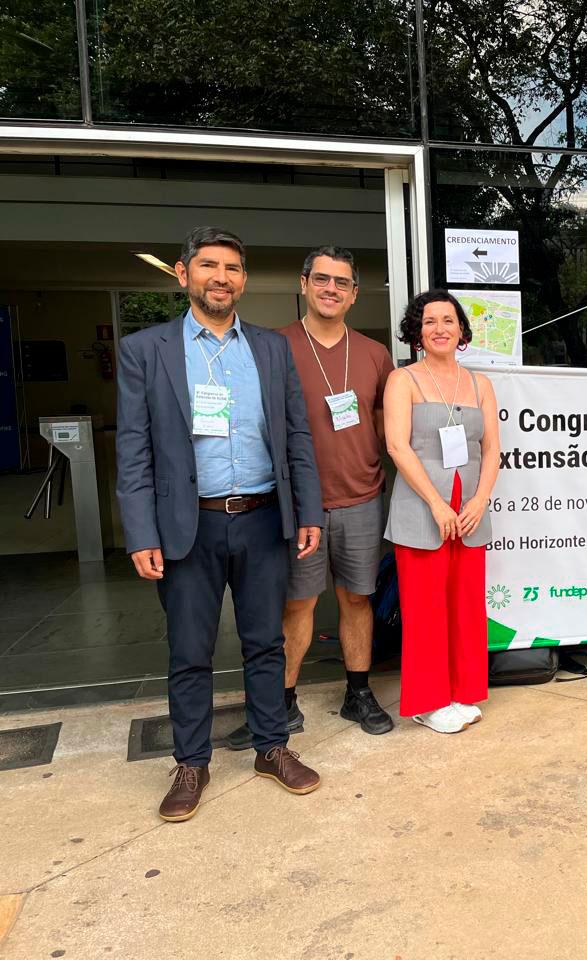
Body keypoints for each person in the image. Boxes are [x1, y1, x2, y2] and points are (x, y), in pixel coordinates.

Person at [116, 226, 324, 822]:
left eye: (232, 268)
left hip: (262, 519)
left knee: (266, 643)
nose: (221, 278)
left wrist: (308, 510)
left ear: (243, 280)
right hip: (189, 526)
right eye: (208, 265)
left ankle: (271, 747)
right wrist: (141, 533)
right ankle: (191, 763)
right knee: (189, 651)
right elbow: (133, 450)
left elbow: (296, 434)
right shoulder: (146, 350)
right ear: (183, 274)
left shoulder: (270, 348)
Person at [220, 247, 396, 747]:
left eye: (341, 282)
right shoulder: (272, 347)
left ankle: (358, 692)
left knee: (357, 599)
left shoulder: (374, 354)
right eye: (321, 279)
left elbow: (387, 428)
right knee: (296, 605)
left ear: (354, 293)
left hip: (362, 497)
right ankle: (281, 705)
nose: (330, 289)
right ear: (303, 284)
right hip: (298, 505)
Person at [383, 290, 500, 733]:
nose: (439, 329)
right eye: (429, 321)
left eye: (448, 320)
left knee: (466, 606)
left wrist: (480, 500)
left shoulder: (479, 384)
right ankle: (427, 702)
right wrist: (436, 502)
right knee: (425, 610)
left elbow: (492, 450)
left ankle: (463, 690)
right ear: (416, 331)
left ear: (461, 329)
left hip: (469, 509)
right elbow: (397, 446)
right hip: (422, 507)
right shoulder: (404, 380)